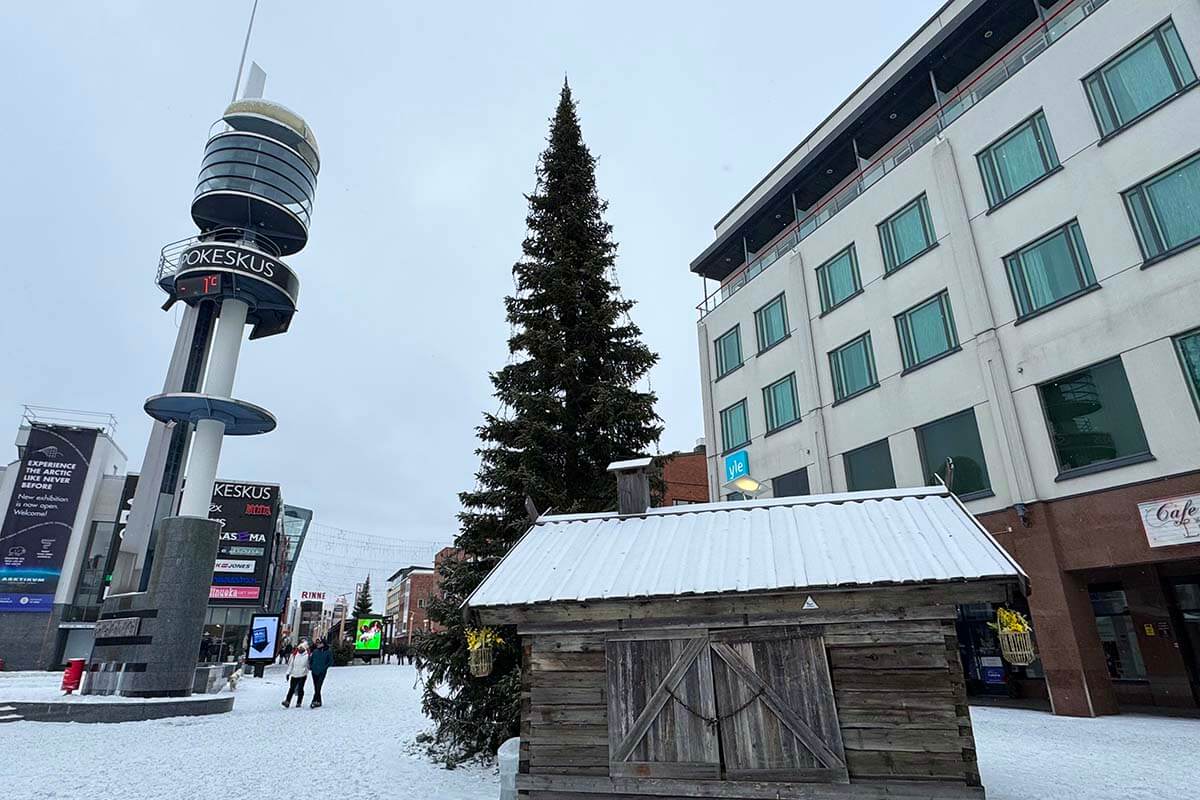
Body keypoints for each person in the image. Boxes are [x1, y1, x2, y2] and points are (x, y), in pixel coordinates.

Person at [282, 641, 310, 708]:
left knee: (300, 688)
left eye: (302, 648)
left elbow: (309, 665)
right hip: (294, 674)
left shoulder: (307, 656)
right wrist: (288, 673)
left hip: (302, 675)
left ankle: (299, 702)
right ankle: (287, 701)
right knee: (291, 688)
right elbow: (291, 665)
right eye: (299, 648)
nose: (300, 649)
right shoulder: (294, 655)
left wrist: (306, 671)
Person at [309, 637, 333, 708]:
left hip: (322, 672)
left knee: (318, 686)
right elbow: (311, 659)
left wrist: (324, 668)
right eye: (317, 643)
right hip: (314, 671)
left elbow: (330, 661)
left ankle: (314, 701)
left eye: (319, 643)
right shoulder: (315, 651)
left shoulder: (328, 652)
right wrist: (311, 666)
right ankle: (319, 701)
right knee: (316, 687)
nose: (318, 644)